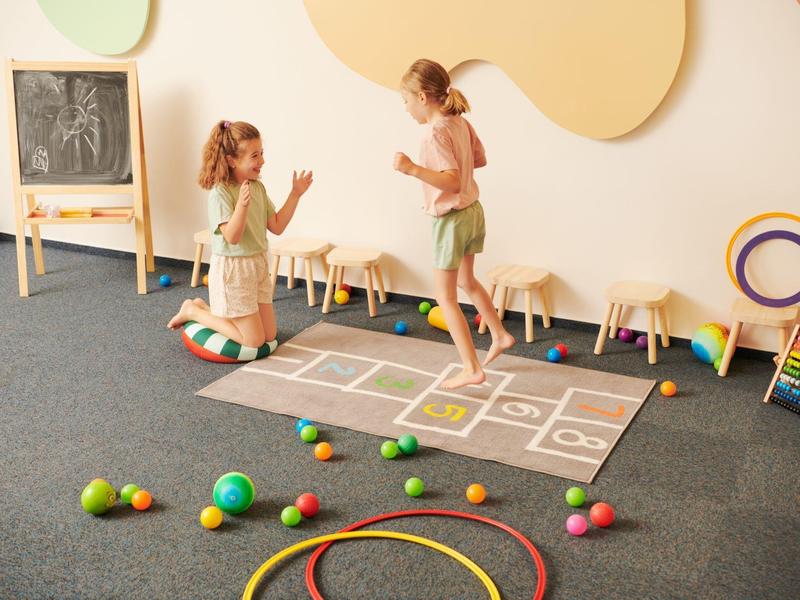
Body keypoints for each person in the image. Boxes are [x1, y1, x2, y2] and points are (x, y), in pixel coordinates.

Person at [393, 59, 514, 390]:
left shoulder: (433, 133)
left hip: (451, 221)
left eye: (405, 101)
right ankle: (500, 334)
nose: (405, 109)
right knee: (467, 281)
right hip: (473, 212)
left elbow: (450, 181)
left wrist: (413, 169)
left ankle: (471, 367)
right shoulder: (458, 122)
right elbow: (479, 160)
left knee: (444, 297)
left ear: (422, 97)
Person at [167, 120, 313, 347]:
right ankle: (193, 311)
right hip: (233, 270)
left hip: (258, 265)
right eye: (255, 156)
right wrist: (242, 207)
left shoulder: (257, 187)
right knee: (254, 341)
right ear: (231, 160)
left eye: (262, 153)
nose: (262, 161)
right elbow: (232, 237)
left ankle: (204, 309)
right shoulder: (221, 193)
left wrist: (295, 194)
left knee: (270, 335)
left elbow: (276, 226)